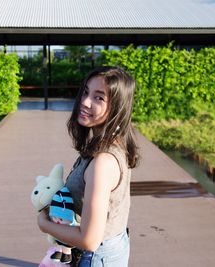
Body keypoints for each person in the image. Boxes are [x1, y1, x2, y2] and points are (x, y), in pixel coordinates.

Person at [38, 66, 139, 266]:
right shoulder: (114, 143)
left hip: (96, 257)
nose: (85, 102)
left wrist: (44, 224)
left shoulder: (103, 161)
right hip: (113, 247)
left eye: (98, 98)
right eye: (85, 92)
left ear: (117, 107)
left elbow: (89, 240)